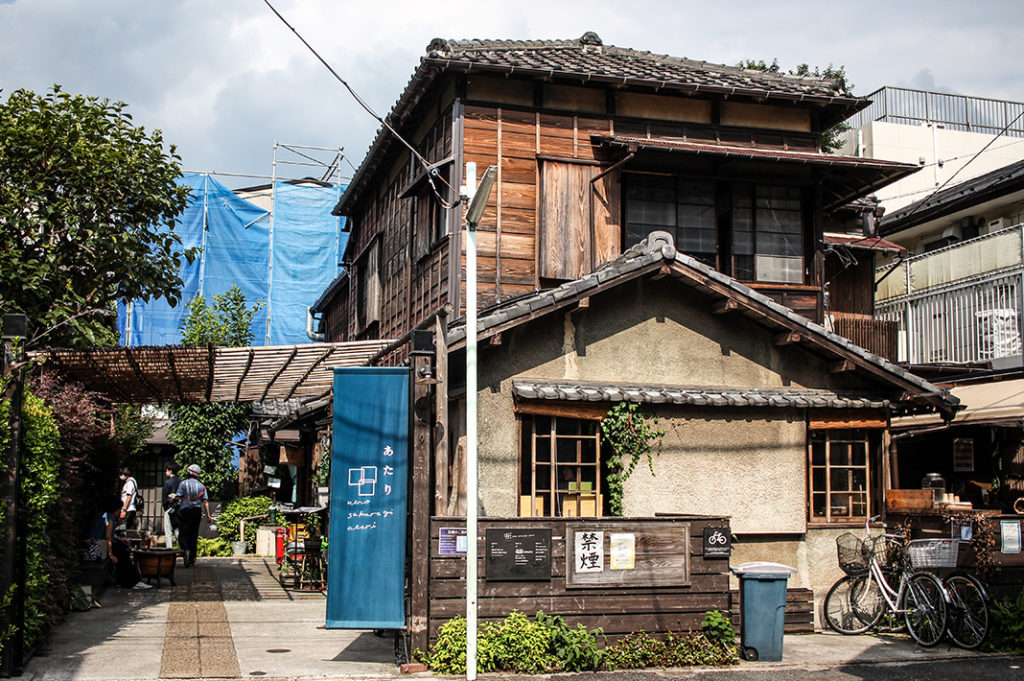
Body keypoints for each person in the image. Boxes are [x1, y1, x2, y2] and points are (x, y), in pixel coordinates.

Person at [96, 496, 153, 590]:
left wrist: (119, 539)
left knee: (122, 548)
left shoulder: (102, 515)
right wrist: (110, 554)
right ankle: (133, 581)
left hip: (99, 543)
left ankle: (122, 580)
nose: (120, 511)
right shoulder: (109, 517)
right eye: (119, 509)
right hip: (101, 545)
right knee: (122, 554)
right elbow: (108, 536)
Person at [176, 464, 212, 567]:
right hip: (196, 512)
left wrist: (173, 500)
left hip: (185, 511)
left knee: (183, 532)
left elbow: (178, 497)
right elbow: (205, 501)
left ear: (188, 473)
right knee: (194, 534)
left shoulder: (183, 484)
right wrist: (208, 515)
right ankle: (191, 558)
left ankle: (185, 549)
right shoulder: (202, 486)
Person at [162, 464, 182, 549]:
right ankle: (182, 547)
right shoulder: (181, 481)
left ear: (170, 471)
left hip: (169, 507)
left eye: (166, 470)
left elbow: (164, 497)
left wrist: (166, 508)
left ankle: (169, 549)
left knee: (168, 531)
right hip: (179, 507)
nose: (166, 472)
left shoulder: (168, 482)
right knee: (177, 528)